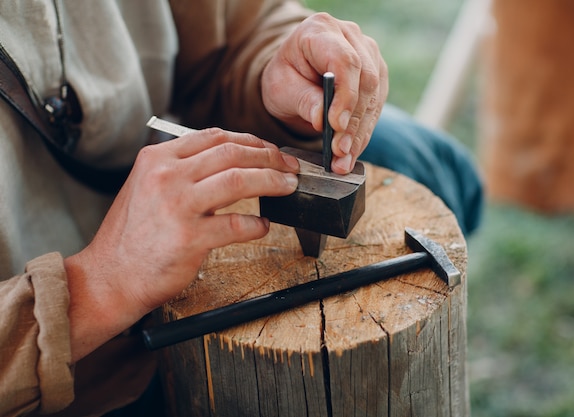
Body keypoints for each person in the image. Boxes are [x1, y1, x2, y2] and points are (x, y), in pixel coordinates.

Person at [0, 1, 482, 415]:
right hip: (72, 375)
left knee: (425, 158)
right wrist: (95, 288)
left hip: (173, 193)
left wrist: (272, 73)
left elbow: (237, 27)